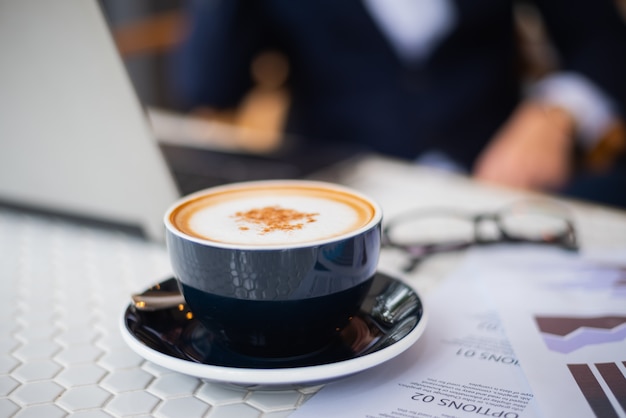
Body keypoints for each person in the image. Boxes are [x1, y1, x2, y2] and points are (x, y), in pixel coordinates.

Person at [172, 0, 626, 208]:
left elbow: (604, 41)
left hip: (493, 189)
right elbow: (209, 86)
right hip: (337, 193)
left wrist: (557, 113)